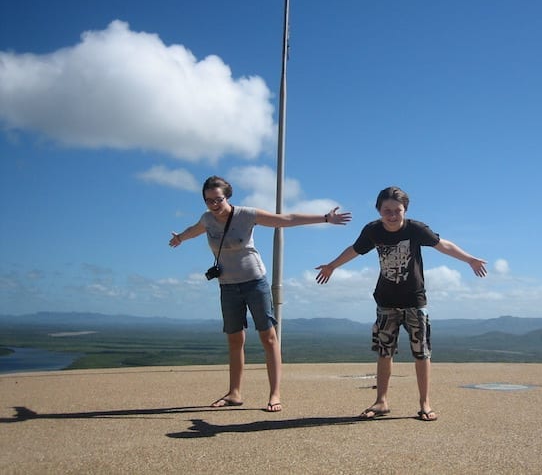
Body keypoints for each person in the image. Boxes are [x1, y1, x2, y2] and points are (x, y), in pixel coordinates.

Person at [170, 175, 351, 412]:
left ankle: (275, 394)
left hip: (255, 282)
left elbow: (285, 219)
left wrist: (326, 218)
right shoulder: (207, 219)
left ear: (228, 197)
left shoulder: (245, 214)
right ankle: (234, 393)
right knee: (235, 339)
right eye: (209, 201)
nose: (214, 205)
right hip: (227, 285)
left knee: (268, 337)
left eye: (218, 200)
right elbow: (194, 230)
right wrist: (180, 238)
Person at [315, 186, 486, 421]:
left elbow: (442, 244)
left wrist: (470, 260)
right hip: (386, 301)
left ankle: (425, 404)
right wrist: (332, 265)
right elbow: (354, 250)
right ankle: (381, 401)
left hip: (414, 300)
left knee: (421, 353)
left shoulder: (415, 229)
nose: (393, 215)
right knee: (384, 352)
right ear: (379, 210)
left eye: (397, 210)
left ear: (405, 210)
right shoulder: (373, 231)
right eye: (387, 211)